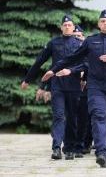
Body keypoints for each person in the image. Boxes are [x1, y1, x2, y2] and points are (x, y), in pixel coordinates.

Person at [41, 9, 106, 168]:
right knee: (98, 116)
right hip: (96, 87)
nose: (105, 24)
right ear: (98, 24)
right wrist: (53, 70)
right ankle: (101, 151)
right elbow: (72, 58)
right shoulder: (90, 41)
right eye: (103, 21)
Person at [21, 15, 84, 160]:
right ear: (61, 27)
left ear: (74, 27)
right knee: (59, 116)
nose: (67, 27)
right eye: (65, 25)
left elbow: (86, 64)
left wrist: (80, 75)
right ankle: (56, 148)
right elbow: (40, 61)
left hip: (74, 86)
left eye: (70, 25)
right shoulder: (54, 43)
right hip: (58, 86)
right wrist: (27, 79)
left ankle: (69, 148)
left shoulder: (80, 43)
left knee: (72, 118)